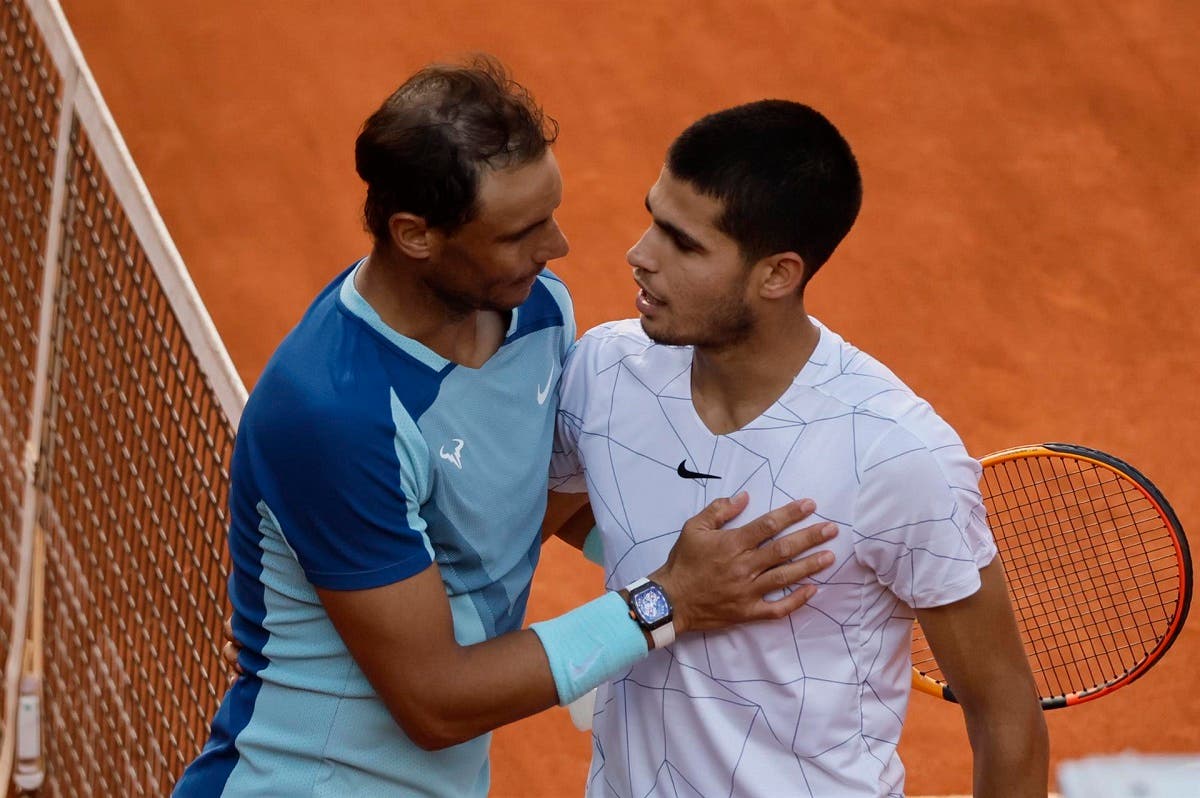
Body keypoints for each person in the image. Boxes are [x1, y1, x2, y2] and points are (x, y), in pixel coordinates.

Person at [174, 58, 838, 797]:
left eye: (550, 214)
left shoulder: (539, 311)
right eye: (520, 232)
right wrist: (667, 600)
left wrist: (738, 566)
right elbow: (435, 702)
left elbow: (523, 502)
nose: (557, 248)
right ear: (416, 235)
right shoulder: (332, 414)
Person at [549, 101, 1050, 797]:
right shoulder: (605, 372)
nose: (641, 255)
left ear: (778, 275)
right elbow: (540, 522)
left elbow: (1004, 715)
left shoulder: (895, 456)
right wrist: (683, 583)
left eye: (683, 243)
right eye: (653, 217)